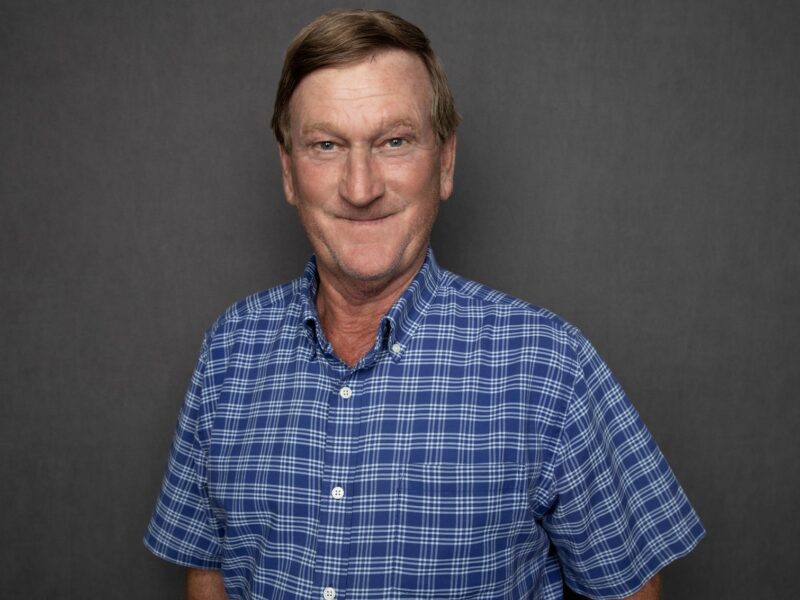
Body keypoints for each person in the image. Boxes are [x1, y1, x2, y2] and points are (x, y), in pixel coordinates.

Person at [144, 9, 704, 600]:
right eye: (326, 145)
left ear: (445, 162)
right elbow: (207, 571)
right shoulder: (229, 352)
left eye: (394, 141)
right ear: (289, 172)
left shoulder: (549, 369)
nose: (361, 188)